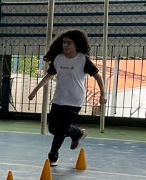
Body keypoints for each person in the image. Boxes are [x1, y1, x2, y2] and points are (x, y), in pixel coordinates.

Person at [27, 28, 106, 165]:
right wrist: (35, 90)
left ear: (77, 44)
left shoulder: (82, 60)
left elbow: (98, 77)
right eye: (64, 42)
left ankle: (53, 156)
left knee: (61, 129)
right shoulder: (58, 59)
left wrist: (103, 94)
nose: (65, 45)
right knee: (53, 128)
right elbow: (49, 75)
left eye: (69, 43)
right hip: (59, 98)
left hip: (75, 100)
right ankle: (77, 133)